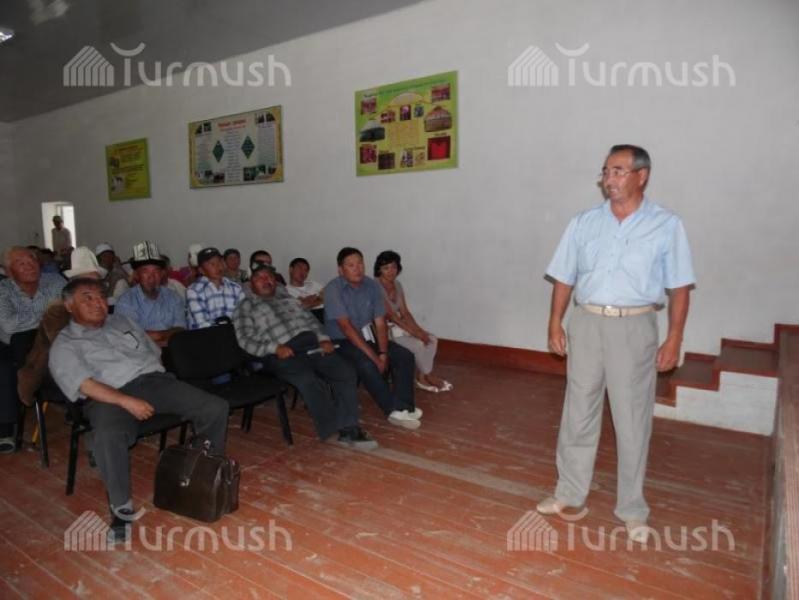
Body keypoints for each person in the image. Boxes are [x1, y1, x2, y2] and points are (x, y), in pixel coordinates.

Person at [536, 144, 695, 544]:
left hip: (635, 327)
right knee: (578, 410)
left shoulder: (666, 224)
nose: (609, 179)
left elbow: (679, 287)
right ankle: (569, 492)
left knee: (632, 418)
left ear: (642, 175)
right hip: (587, 322)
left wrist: (674, 337)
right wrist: (555, 322)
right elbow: (564, 277)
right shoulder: (584, 223)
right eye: (606, 171)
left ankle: (632, 509)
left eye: (619, 171)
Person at [49, 278, 229, 542]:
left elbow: (153, 351)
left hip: (152, 382)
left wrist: (152, 380)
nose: (97, 303)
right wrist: (126, 400)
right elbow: (85, 384)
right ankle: (121, 510)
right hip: (107, 396)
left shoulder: (122, 321)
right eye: (87, 297)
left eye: (101, 296)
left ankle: (203, 475)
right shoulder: (64, 344)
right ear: (69, 306)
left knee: (215, 407)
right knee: (108, 436)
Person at [234, 262, 377, 449]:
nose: (266, 280)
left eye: (269, 276)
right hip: (280, 353)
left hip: (309, 346)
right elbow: (245, 339)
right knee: (308, 379)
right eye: (259, 277)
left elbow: (312, 321)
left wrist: (323, 339)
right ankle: (331, 431)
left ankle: (349, 427)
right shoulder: (245, 306)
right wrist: (274, 348)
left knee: (345, 371)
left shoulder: (289, 299)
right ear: (251, 283)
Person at [324, 247, 420, 430]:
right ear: (340, 270)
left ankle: (404, 407)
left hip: (368, 335)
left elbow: (380, 323)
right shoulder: (333, 289)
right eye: (351, 265)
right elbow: (346, 328)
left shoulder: (372, 285)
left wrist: (383, 353)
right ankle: (392, 410)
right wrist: (376, 359)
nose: (357, 268)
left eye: (360, 263)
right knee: (367, 363)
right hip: (341, 340)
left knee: (404, 355)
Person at [16, 247, 106, 409]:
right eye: (85, 282)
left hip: (89, 357)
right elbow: (67, 348)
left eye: (95, 282)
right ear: (73, 285)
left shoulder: (100, 306)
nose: (91, 287)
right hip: (54, 367)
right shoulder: (58, 310)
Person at [0, 246, 66, 452]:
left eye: (32, 261)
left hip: (52, 340)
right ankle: (5, 429)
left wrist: (53, 317)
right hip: (11, 345)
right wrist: (49, 316)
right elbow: (9, 325)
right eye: (21, 263)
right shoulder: (3, 290)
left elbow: (70, 311)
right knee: (5, 366)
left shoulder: (55, 281)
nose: (30, 266)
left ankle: (34, 379)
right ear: (9, 271)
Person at [374, 250, 452, 393]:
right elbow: (392, 316)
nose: (391, 271)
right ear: (379, 269)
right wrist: (416, 334)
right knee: (418, 344)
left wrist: (420, 331)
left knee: (431, 339)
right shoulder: (375, 287)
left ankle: (423, 377)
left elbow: (405, 312)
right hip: (383, 331)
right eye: (386, 268)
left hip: (399, 327)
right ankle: (426, 377)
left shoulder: (397, 284)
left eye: (394, 267)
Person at [115, 241, 186, 347]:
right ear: (136, 275)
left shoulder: (173, 297)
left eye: (156, 271)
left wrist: (156, 336)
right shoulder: (126, 301)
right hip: (141, 354)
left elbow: (180, 330)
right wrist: (165, 336)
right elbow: (131, 338)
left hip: (174, 351)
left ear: (162, 274)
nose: (151, 277)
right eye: (145, 271)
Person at [186, 247, 244, 329]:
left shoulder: (236, 288)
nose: (218, 267)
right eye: (212, 264)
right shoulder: (194, 291)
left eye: (219, 262)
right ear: (201, 270)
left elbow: (243, 319)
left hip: (233, 334)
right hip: (206, 335)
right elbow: (201, 325)